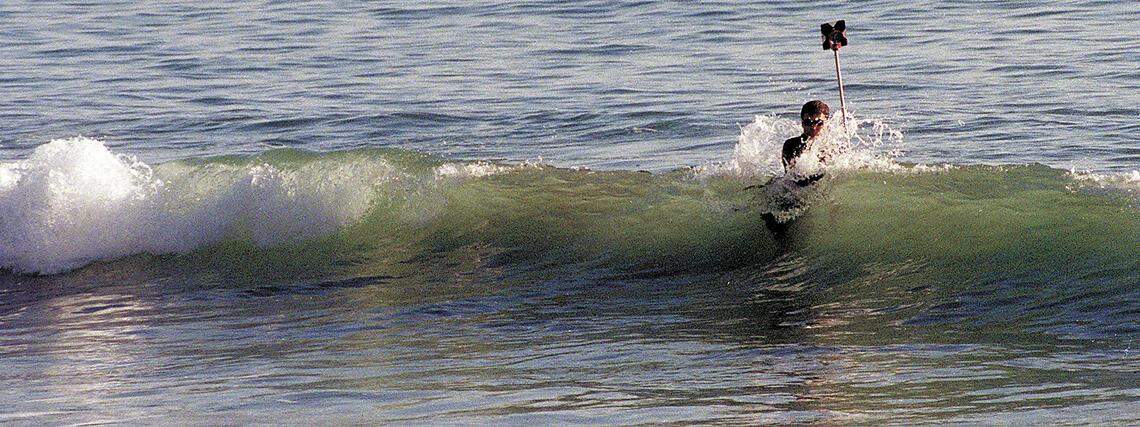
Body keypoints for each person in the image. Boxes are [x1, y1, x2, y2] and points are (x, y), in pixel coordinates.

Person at [781, 100, 831, 186]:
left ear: (827, 123)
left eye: (819, 123)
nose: (813, 127)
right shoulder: (791, 145)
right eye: (808, 122)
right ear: (802, 123)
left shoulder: (833, 146)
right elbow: (793, 178)